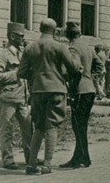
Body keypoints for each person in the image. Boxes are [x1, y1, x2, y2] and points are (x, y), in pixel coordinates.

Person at [18, 18, 81, 175]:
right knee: (51, 126)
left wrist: (37, 77)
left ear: (40, 28)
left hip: (38, 90)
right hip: (56, 89)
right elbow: (73, 68)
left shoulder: (30, 47)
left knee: (38, 126)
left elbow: (21, 72)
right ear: (54, 30)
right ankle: (47, 164)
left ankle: (32, 164)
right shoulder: (60, 46)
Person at [60, 21, 103, 169]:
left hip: (79, 91)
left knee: (78, 126)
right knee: (81, 125)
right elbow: (99, 66)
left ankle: (83, 158)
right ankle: (79, 157)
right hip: (89, 89)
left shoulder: (72, 48)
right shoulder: (87, 47)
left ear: (67, 35)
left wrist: (70, 80)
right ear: (80, 34)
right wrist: (90, 76)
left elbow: (76, 68)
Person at [0, 23, 32, 170]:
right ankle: (8, 160)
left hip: (22, 97)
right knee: (7, 129)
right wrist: (16, 74)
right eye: (21, 36)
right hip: (7, 97)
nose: (23, 38)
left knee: (28, 129)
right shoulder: (3, 55)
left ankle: (31, 157)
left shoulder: (22, 54)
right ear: (12, 36)